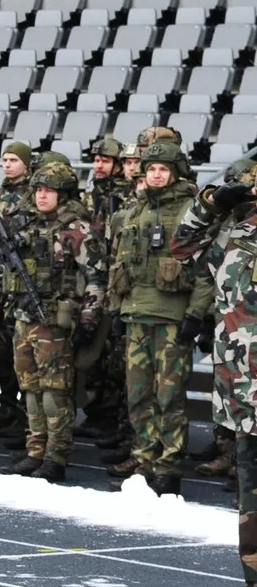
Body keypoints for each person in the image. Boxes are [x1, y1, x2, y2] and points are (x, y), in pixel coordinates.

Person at [171, 171, 257, 587]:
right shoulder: (234, 229)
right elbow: (183, 245)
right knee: (252, 531)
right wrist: (210, 202)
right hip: (244, 407)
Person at [106, 140, 207, 493]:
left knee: (170, 397)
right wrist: (116, 307)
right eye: (151, 169)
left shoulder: (190, 212)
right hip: (136, 314)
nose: (156, 174)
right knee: (138, 395)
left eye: (163, 169)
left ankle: (169, 464)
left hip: (171, 319)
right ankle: (145, 456)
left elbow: (205, 270)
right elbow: (120, 264)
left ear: (175, 172)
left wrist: (195, 314)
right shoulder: (135, 210)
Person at [6, 161, 105, 482]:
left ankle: (56, 454)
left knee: (54, 392)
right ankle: (35, 449)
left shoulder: (76, 229)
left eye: (49, 191)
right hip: (25, 318)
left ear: (63, 195)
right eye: (39, 190)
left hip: (56, 323)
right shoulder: (29, 226)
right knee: (30, 389)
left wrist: (89, 318)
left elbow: (96, 277)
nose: (42, 196)